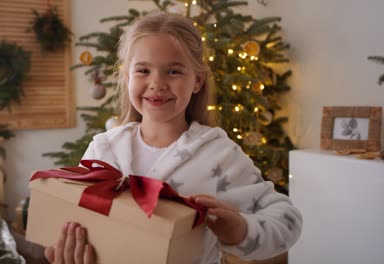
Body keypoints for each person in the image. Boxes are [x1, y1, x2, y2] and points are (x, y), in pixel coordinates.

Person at [45, 11, 302, 264]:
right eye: (143, 70)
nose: (157, 83)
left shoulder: (220, 156)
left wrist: (240, 230)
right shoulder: (103, 151)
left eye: (174, 72)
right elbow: (77, 221)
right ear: (127, 77)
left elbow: (287, 219)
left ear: (198, 80)